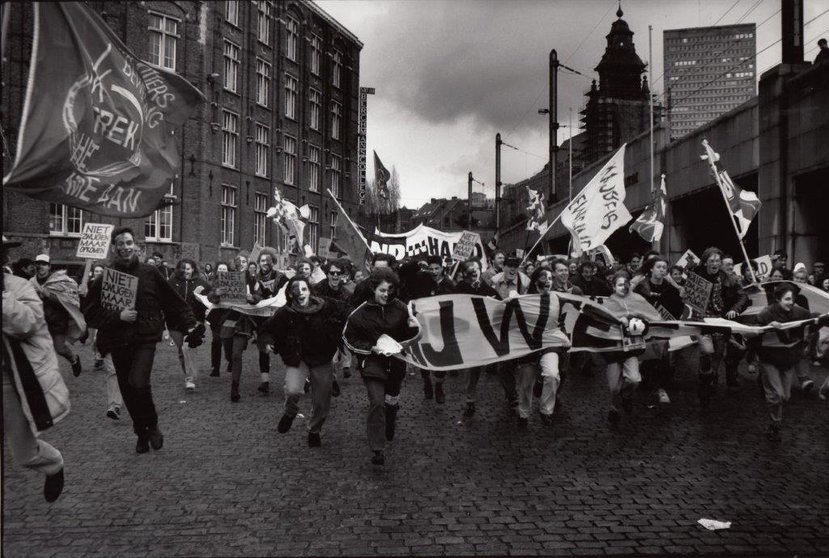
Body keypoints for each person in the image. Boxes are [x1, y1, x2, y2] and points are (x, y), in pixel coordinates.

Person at [83, 227, 201, 454]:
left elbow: (172, 301)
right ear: (114, 247)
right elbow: (89, 312)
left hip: (145, 337)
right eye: (120, 244)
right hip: (117, 340)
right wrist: (118, 316)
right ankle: (141, 431)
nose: (125, 247)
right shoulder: (105, 277)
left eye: (129, 243)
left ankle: (153, 424)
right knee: (127, 389)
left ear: (135, 246)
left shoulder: (150, 272)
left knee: (139, 382)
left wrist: (190, 323)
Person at [3, 236, 68, 502]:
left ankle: (53, 465)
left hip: (11, 381)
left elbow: (27, 324)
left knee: (24, 453)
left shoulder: (18, 287)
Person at [343, 268, 421, 465]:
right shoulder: (359, 314)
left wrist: (414, 327)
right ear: (373, 289)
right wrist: (371, 348)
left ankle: (391, 417)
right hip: (372, 364)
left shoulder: (402, 309)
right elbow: (348, 338)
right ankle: (377, 449)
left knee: (390, 401)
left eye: (390, 290)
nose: (386, 294)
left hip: (396, 363)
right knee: (377, 402)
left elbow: (411, 337)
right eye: (382, 290)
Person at [260, 276, 349, 447]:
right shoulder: (286, 313)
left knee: (322, 401)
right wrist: (268, 343)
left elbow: (348, 310)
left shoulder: (326, 306)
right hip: (298, 358)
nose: (300, 293)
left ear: (310, 290)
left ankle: (314, 430)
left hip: (322, 357)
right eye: (296, 289)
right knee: (293, 390)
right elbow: (267, 330)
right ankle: (290, 411)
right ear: (290, 293)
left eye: (304, 289)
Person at [754, 283, 821, 440]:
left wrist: (819, 321)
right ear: (778, 299)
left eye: (792, 299)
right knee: (775, 395)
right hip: (769, 358)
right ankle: (774, 424)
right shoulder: (766, 313)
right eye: (787, 299)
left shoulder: (800, 312)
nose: (791, 302)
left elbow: (814, 320)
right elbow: (752, 332)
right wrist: (767, 327)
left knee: (785, 397)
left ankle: (775, 419)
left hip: (788, 359)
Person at [602, 271, 660, 423]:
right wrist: (617, 321)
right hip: (614, 349)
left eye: (626, 284)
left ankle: (626, 396)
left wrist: (640, 321)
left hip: (632, 347)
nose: (624, 287)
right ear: (614, 287)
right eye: (620, 284)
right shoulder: (608, 303)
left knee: (634, 380)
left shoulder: (638, 299)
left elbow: (654, 317)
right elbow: (602, 324)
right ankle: (613, 409)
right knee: (614, 387)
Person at [514, 267, 570, 427]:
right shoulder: (524, 299)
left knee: (552, 375)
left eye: (551, 278)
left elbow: (566, 317)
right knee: (526, 383)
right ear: (536, 280)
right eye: (544, 277)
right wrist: (512, 297)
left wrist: (564, 336)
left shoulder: (557, 298)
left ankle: (546, 410)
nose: (549, 281)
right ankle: (523, 414)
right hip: (529, 345)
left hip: (550, 343)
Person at [693, 247, 749, 407]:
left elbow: (742, 296)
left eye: (718, 261)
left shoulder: (728, 279)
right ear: (705, 263)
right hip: (701, 323)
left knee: (715, 360)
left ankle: (707, 387)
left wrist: (734, 309)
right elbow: (688, 303)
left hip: (719, 323)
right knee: (707, 352)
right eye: (711, 261)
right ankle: (705, 383)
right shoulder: (696, 278)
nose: (715, 263)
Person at [634, 257, 684, 405]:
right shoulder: (641, 287)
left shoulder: (670, 288)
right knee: (649, 359)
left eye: (664, 267)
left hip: (663, 329)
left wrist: (680, 300)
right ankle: (647, 385)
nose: (662, 270)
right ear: (651, 269)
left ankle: (660, 389)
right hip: (646, 329)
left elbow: (677, 308)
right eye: (659, 267)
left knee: (663, 359)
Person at [409, 255, 455, 403]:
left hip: (443, 326)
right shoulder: (422, 282)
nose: (434, 272)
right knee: (425, 353)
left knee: (442, 357)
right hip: (425, 325)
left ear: (442, 268)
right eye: (431, 269)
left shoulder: (449, 284)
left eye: (437, 268)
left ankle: (439, 385)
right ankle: (426, 380)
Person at [454, 259, 498, 416]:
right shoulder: (459, 288)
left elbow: (498, 301)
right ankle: (470, 399)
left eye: (477, 268)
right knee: (474, 368)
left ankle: (512, 395)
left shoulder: (485, 286)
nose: (474, 271)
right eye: (470, 268)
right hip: (470, 334)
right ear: (464, 273)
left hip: (487, 333)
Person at [30, 254, 85, 377]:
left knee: (59, 348)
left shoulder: (59, 281)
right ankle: (46, 376)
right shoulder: (31, 282)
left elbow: (67, 301)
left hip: (57, 320)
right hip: (40, 321)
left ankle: (74, 359)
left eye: (43, 264)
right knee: (41, 349)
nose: (40, 266)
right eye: (38, 264)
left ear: (49, 266)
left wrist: (48, 295)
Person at [168, 259, 211, 392]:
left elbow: (209, 301)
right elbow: (165, 301)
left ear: (193, 269)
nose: (185, 271)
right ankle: (188, 373)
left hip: (193, 321)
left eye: (188, 269)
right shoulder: (171, 283)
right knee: (181, 349)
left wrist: (199, 297)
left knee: (188, 347)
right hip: (175, 322)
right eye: (183, 268)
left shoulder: (202, 284)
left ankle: (189, 378)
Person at [250, 249, 289, 393]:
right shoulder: (255, 278)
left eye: (268, 260)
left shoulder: (281, 277)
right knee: (263, 350)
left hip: (280, 319)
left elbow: (286, 293)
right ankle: (265, 381)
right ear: (259, 262)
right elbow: (254, 295)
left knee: (286, 349)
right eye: (262, 260)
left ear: (272, 261)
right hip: (262, 320)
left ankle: (297, 378)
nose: (265, 263)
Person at [313, 259, 354, 384]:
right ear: (327, 274)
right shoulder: (318, 289)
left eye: (338, 273)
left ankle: (332, 381)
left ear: (342, 275)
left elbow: (349, 313)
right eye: (332, 273)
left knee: (333, 359)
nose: (335, 275)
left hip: (337, 330)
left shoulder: (346, 294)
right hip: (319, 329)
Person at [207, 262, 231, 377]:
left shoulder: (233, 282)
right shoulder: (213, 283)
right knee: (216, 341)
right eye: (220, 269)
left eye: (224, 269)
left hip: (229, 315)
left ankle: (230, 359)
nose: (222, 271)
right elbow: (209, 296)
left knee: (227, 340)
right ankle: (215, 368)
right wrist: (216, 293)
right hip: (216, 317)